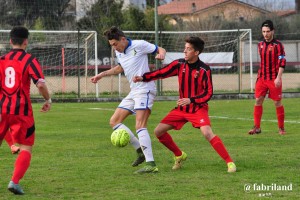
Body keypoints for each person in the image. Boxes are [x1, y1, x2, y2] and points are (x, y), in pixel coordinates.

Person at [133, 36, 236, 173]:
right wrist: (143, 77)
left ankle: (229, 162)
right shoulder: (179, 64)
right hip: (182, 109)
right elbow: (162, 73)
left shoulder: (205, 70)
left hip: (197, 108)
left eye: (188, 49)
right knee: (158, 131)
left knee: (207, 132)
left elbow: (208, 93)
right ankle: (179, 154)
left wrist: (191, 100)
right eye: (185, 48)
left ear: (196, 52)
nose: (184, 51)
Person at [91, 26, 166, 174]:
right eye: (111, 45)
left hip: (145, 88)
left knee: (140, 126)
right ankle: (140, 150)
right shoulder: (120, 53)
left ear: (123, 39)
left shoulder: (139, 45)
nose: (114, 48)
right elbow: (120, 68)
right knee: (114, 121)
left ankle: (151, 164)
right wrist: (102, 74)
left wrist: (161, 55)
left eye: (115, 44)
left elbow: (160, 49)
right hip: (134, 91)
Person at [0, 26, 52, 195]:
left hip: (2, 109)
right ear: (26, 42)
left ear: (10, 41)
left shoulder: (1, 60)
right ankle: (14, 182)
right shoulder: (30, 60)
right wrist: (47, 99)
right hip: (21, 111)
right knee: (26, 147)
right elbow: (41, 84)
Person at [248, 20, 286, 135]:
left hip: (274, 78)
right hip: (262, 78)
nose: (265, 34)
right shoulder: (260, 45)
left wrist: (278, 78)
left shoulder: (278, 45)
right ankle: (257, 127)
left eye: (268, 31)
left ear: (272, 31)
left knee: (277, 103)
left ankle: (281, 128)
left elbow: (282, 62)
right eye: (263, 31)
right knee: (258, 100)